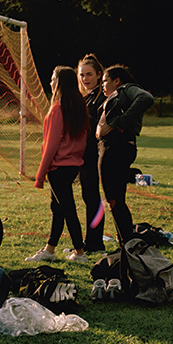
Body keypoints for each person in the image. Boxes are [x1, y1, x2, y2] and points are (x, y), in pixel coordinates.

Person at [26, 66, 90, 264]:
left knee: (67, 209)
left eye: (53, 79)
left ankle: (80, 253)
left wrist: (40, 176)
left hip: (59, 168)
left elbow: (50, 146)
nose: (50, 82)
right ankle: (50, 250)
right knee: (58, 208)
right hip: (71, 167)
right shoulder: (78, 108)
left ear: (60, 83)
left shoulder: (58, 110)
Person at [97, 64, 154, 245]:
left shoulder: (127, 88)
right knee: (115, 198)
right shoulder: (113, 96)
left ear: (117, 81)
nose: (102, 84)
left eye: (105, 80)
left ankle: (127, 241)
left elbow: (146, 98)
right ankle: (125, 239)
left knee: (114, 198)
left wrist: (121, 122)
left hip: (117, 147)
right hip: (113, 147)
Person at [77, 54, 106, 252]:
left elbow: (99, 127)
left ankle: (95, 243)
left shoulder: (101, 98)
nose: (85, 79)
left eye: (89, 74)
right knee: (89, 197)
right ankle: (91, 241)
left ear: (98, 75)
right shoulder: (86, 97)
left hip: (95, 155)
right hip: (84, 155)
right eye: (82, 75)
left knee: (94, 199)